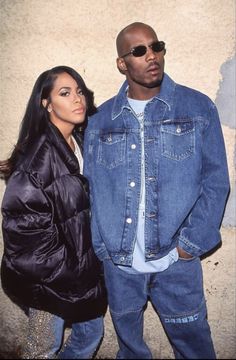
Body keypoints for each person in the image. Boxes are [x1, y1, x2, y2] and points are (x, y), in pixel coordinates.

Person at [83, 22, 230, 359]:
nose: (152, 56)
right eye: (139, 51)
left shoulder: (196, 107)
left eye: (156, 46)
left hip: (177, 263)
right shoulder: (100, 119)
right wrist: (102, 248)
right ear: (122, 63)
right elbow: (91, 189)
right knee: (131, 350)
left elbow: (216, 182)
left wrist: (189, 246)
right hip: (120, 265)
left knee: (195, 348)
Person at [0, 65, 107, 359]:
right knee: (43, 349)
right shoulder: (37, 159)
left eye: (79, 91)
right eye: (65, 93)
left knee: (90, 333)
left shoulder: (80, 142)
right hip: (48, 281)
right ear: (46, 104)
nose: (78, 99)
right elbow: (25, 237)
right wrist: (70, 270)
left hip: (80, 273)